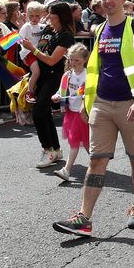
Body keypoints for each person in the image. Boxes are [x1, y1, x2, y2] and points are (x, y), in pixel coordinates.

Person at [52, 0, 134, 237]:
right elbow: (94, 70)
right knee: (97, 160)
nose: (108, 1)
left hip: (130, 104)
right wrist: (88, 102)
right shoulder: (98, 30)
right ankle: (84, 218)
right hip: (101, 105)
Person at [22, 2, 76, 168]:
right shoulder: (48, 30)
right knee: (43, 113)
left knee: (38, 113)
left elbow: (52, 60)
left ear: (59, 15)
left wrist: (32, 49)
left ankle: (48, 150)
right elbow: (40, 49)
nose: (47, 16)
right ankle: (55, 150)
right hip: (41, 76)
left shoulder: (66, 35)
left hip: (53, 77)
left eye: (50, 13)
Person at [52, 42, 90, 183]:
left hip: (82, 113)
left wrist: (85, 99)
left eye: (77, 60)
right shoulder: (68, 75)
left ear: (84, 60)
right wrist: (57, 95)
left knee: (78, 141)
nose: (73, 63)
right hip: (71, 112)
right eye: (71, 59)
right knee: (81, 142)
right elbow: (63, 90)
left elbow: (91, 93)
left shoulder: (88, 76)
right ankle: (97, 162)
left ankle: (66, 170)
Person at [19, 2, 46, 104]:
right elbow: (20, 40)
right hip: (29, 52)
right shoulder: (26, 27)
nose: (34, 18)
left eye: (37, 16)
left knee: (41, 73)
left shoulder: (43, 26)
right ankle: (29, 92)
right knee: (36, 72)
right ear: (27, 15)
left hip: (40, 52)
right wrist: (23, 55)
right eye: (32, 16)